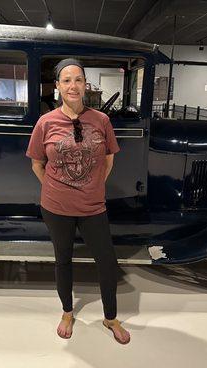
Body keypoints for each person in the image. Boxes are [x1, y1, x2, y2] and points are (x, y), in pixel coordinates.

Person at [26, 58, 131, 345]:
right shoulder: (45, 123)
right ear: (58, 86)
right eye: (67, 80)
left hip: (92, 207)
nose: (73, 85)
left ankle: (110, 317)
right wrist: (55, 188)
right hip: (56, 208)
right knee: (63, 260)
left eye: (78, 80)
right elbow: (38, 164)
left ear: (86, 85)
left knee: (107, 262)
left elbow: (108, 160)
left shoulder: (102, 121)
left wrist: (92, 186)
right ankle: (67, 312)